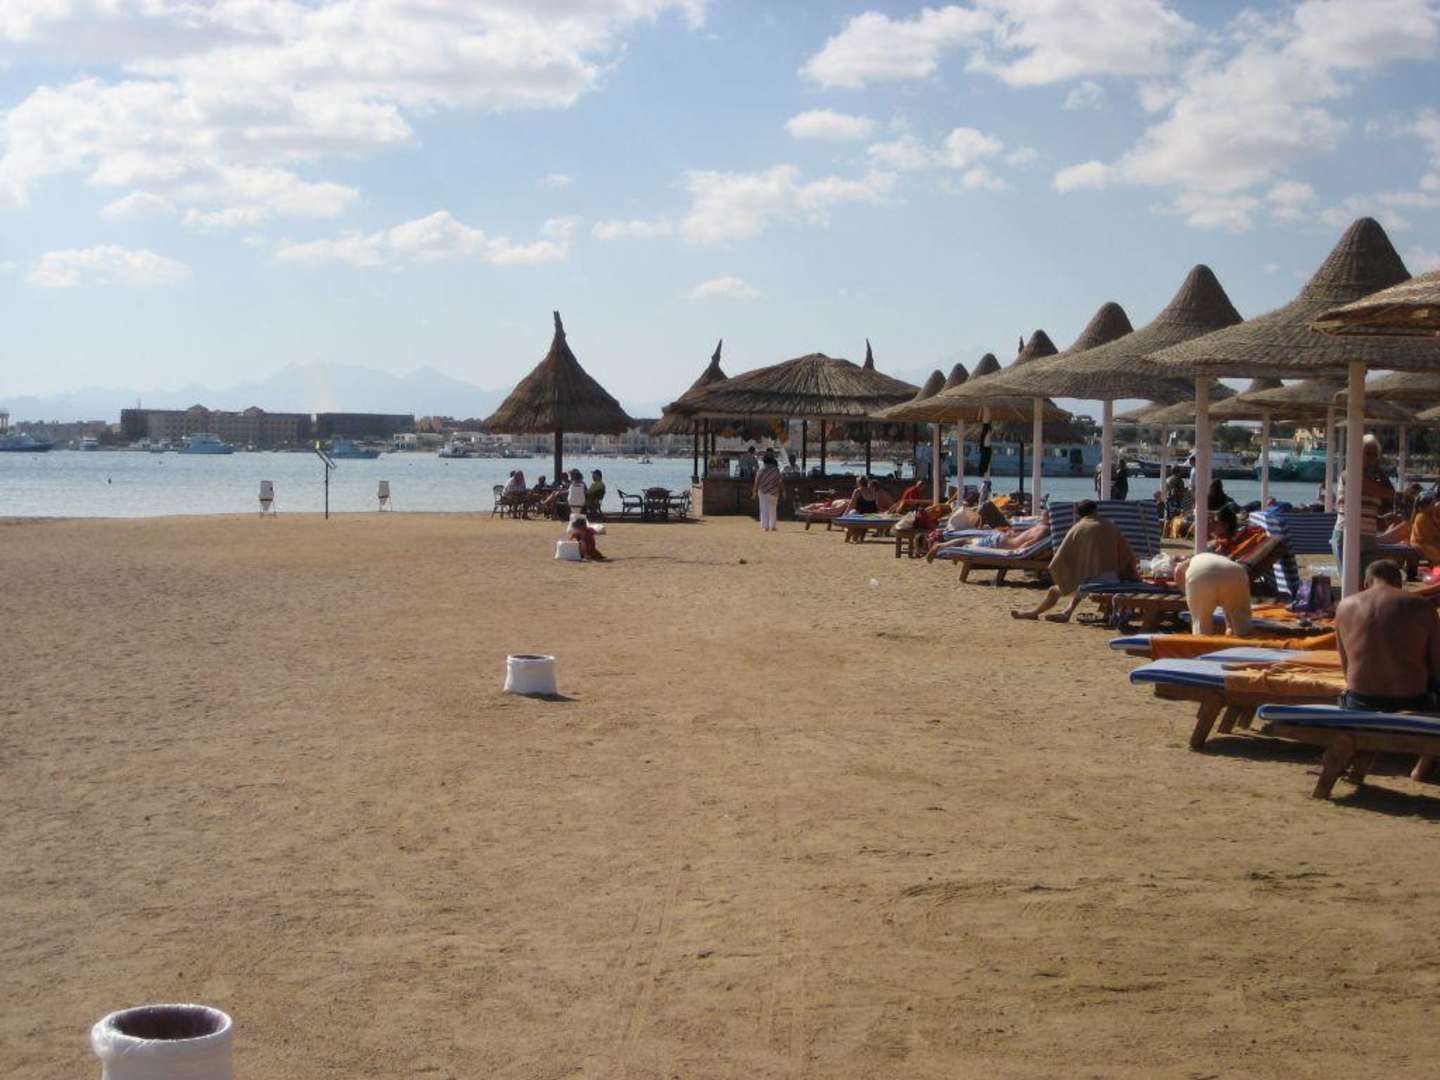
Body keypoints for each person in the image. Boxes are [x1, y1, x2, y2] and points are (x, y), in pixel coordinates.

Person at [1335, 559, 1440, 711]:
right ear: (1400, 583)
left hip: (1360, 700)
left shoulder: (1344, 606)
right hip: (1412, 701)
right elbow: (1436, 664)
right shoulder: (1421, 605)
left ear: (1365, 584)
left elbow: (1346, 665)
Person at [1011, 500, 1138, 623]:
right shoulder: (1111, 525)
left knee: (1055, 590)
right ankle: (1066, 612)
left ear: (1079, 514)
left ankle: (1034, 613)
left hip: (1090, 582)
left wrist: (1062, 573)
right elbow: (1127, 553)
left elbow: (1060, 556)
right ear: (1095, 510)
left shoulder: (1078, 528)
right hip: (1112, 578)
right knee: (1082, 582)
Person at [1332, 434, 1390, 585]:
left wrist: (1379, 470)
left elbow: (1391, 493)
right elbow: (1372, 488)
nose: (1371, 458)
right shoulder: (1349, 474)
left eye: (1374, 455)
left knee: (1370, 584)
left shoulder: (1377, 478)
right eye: (1368, 453)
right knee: (1351, 584)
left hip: (1369, 536)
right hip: (1347, 534)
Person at [1183, 553, 1252, 637]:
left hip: (1200, 573)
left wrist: (1186, 592)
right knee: (1239, 615)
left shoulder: (1187, 563)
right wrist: (1229, 625)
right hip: (1235, 571)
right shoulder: (1223, 559)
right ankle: (1241, 638)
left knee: (1201, 618)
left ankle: (1203, 641)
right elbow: (1227, 600)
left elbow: (1178, 572)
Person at [752, 452, 784, 531]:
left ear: (764, 461)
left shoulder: (761, 469)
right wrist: (783, 491)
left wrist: (754, 491)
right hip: (774, 492)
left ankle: (765, 526)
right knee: (773, 508)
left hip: (763, 491)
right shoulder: (776, 470)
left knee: (764, 508)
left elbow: (757, 481)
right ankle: (773, 526)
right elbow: (780, 481)